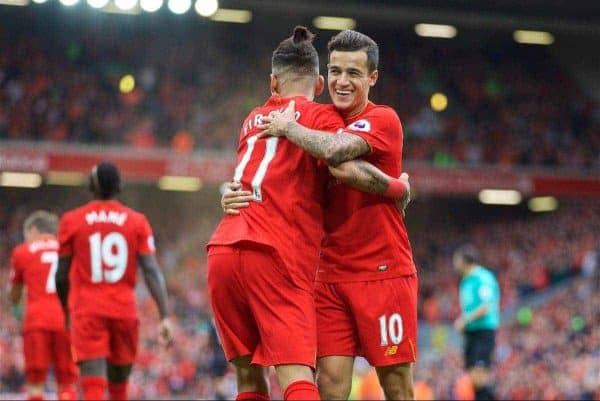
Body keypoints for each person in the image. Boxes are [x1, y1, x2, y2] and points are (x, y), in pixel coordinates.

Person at [207, 26, 409, 401]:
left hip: (227, 251)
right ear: (320, 81)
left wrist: (231, 193)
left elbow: (268, 171)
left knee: (250, 380)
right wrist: (400, 187)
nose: (342, 81)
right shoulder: (322, 116)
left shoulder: (254, 119)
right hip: (293, 264)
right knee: (309, 381)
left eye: (353, 73)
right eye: (336, 72)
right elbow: (335, 160)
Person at [55, 161, 173, 401]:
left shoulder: (72, 220)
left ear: (91, 186)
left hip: (87, 311)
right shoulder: (137, 221)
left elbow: (60, 274)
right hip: (124, 311)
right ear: (119, 186)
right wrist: (164, 315)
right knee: (119, 389)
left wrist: (66, 309)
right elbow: (151, 270)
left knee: (93, 387)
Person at [9, 211, 78, 401]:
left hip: (36, 320)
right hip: (65, 321)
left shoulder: (23, 252)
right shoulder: (69, 250)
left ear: (33, 230)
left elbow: (14, 294)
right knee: (66, 381)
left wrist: (16, 304)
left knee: (35, 382)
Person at [452, 244, 500, 401]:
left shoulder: (483, 277)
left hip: (483, 330)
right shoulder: (465, 282)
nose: (455, 264)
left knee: (479, 377)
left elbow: (486, 306)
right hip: (471, 333)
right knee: (473, 378)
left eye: (457, 260)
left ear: (465, 260)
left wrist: (465, 320)